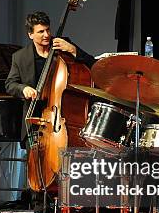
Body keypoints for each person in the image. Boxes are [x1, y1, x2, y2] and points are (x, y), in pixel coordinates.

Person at [5, 11, 96, 147]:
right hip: (35, 120)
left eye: (48, 30)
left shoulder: (63, 46)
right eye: (41, 32)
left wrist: (73, 50)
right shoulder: (19, 57)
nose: (47, 35)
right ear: (30, 35)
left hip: (61, 120)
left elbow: (93, 64)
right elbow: (10, 84)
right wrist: (24, 88)